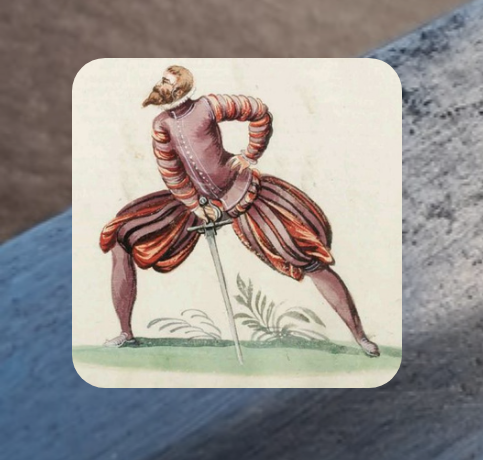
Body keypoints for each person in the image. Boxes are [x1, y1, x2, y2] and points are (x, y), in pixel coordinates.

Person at [98, 65, 379, 356]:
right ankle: (125, 333)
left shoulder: (209, 105)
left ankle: (360, 337)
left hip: (242, 190)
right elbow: (170, 170)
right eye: (161, 80)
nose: (159, 86)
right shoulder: (161, 124)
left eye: (166, 82)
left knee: (306, 256)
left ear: (180, 89)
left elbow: (258, 111)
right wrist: (194, 204)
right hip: (196, 202)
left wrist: (251, 154)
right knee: (121, 234)